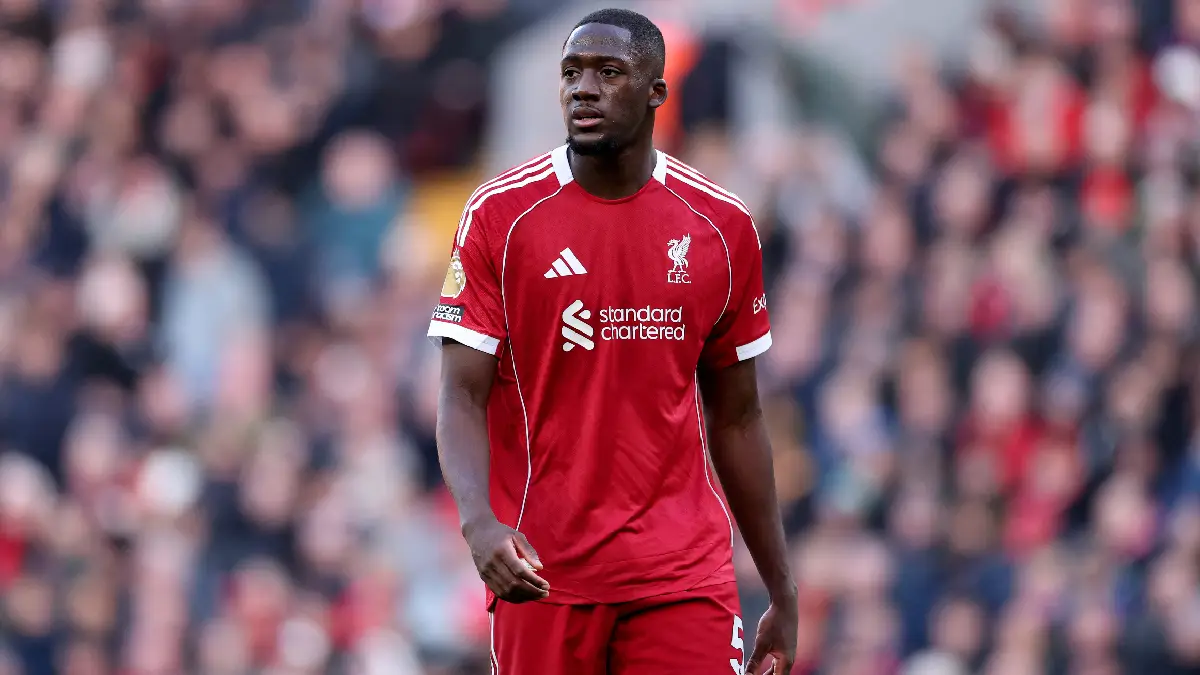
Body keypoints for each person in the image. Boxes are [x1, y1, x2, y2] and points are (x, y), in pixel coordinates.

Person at [428, 8, 798, 674]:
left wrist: (780, 583)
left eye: (608, 72)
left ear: (657, 91)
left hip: (682, 573)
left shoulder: (720, 226)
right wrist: (478, 520)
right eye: (571, 73)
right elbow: (460, 393)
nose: (583, 89)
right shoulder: (501, 217)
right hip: (542, 572)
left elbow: (738, 416)